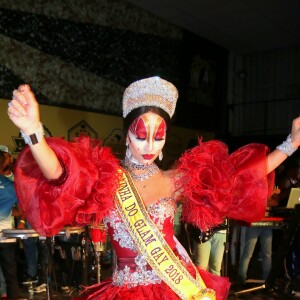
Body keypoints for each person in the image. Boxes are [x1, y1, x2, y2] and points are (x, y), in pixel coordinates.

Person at [6, 77, 300, 300]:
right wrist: (33, 132)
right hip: (123, 289)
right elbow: (59, 175)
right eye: (141, 135)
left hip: (173, 286)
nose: (149, 146)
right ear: (126, 136)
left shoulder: (175, 180)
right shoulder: (107, 178)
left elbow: (236, 178)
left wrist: (291, 144)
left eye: (158, 137)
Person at [237, 187, 281, 284]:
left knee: (267, 253)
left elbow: (275, 202)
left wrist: (266, 199)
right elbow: (255, 201)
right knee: (248, 252)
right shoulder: (257, 183)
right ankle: (241, 279)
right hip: (255, 221)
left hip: (267, 221)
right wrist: (271, 195)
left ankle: (267, 280)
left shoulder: (271, 183)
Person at [0, 150, 22, 299]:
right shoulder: (12, 186)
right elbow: (19, 210)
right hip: (6, 236)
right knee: (11, 276)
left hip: (6, 236)